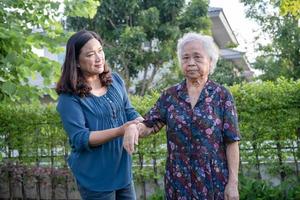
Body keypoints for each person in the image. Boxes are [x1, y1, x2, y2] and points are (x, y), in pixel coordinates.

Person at [124, 32, 241, 200]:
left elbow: (232, 142)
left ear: (210, 61)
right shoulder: (170, 96)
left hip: (214, 180)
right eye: (185, 58)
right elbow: (150, 124)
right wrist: (133, 128)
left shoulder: (222, 96)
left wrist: (233, 183)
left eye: (197, 57)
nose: (191, 62)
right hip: (178, 181)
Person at [56, 30, 142, 200]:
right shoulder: (69, 97)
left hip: (122, 171)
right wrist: (121, 130)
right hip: (95, 177)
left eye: (100, 50)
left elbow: (129, 112)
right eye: (90, 54)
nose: (98, 57)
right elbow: (80, 138)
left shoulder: (115, 81)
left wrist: (141, 123)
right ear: (77, 62)